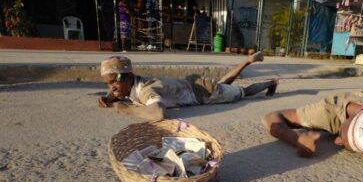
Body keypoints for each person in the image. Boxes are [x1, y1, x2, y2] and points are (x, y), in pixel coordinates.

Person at [98, 52, 278, 121]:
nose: (111, 87)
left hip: (201, 93)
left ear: (128, 76)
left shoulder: (146, 90)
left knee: (242, 92)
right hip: (193, 85)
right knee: (223, 85)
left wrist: (124, 109)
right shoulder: (132, 84)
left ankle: (271, 82)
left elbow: (158, 114)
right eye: (108, 83)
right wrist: (109, 98)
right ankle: (246, 61)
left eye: (114, 81)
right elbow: (117, 91)